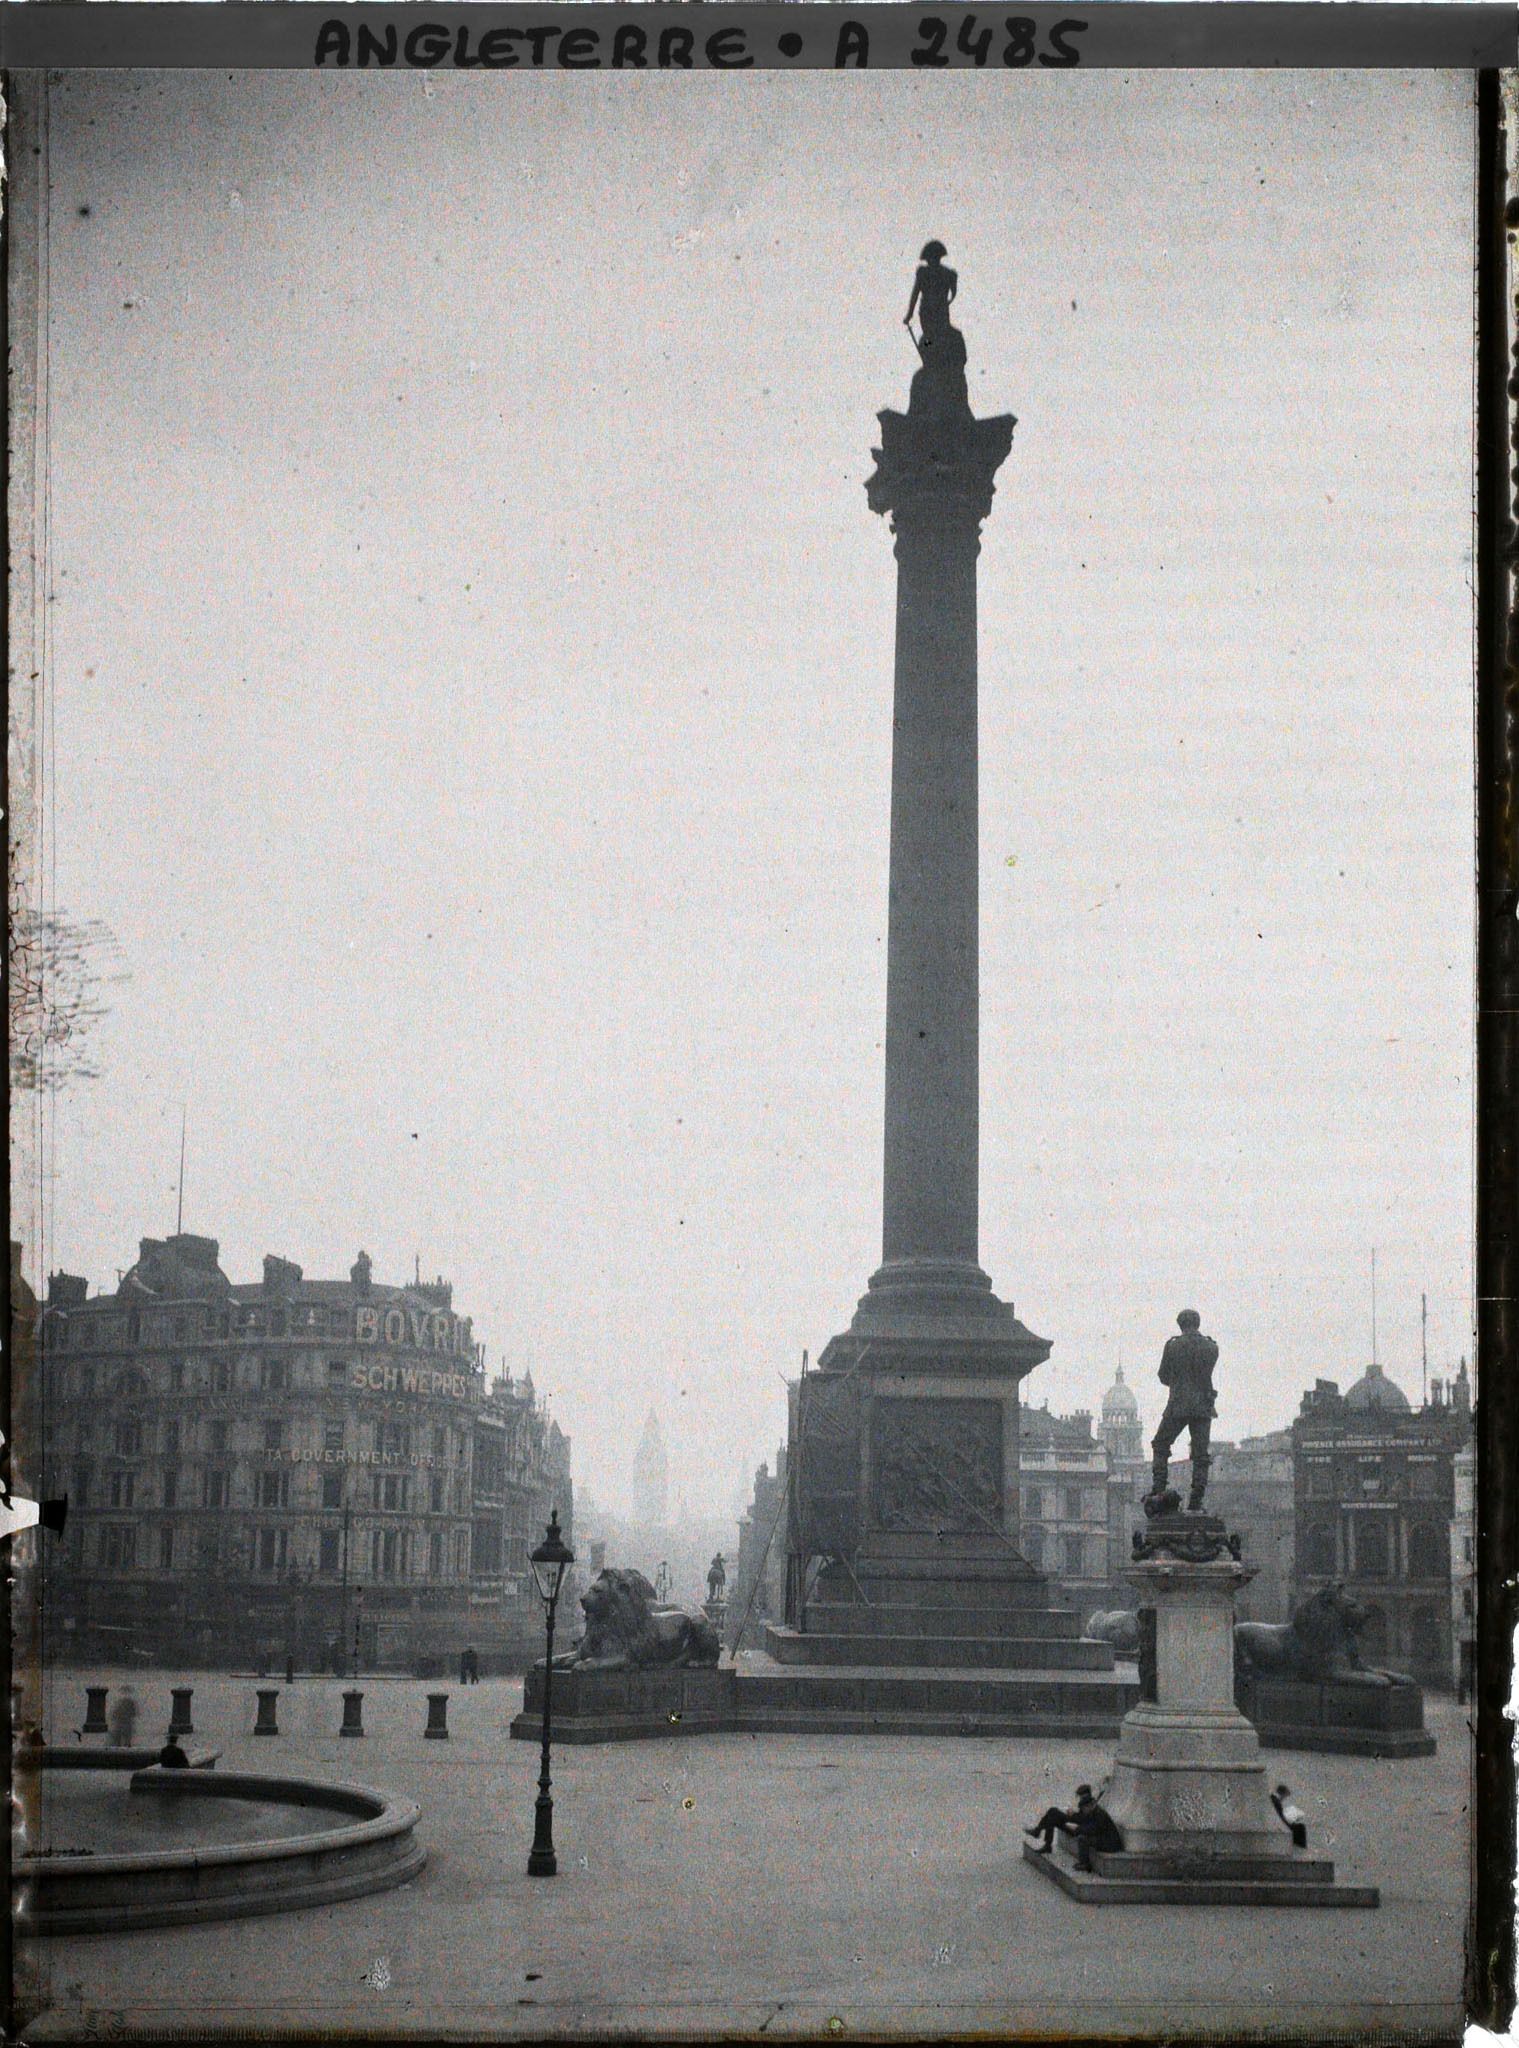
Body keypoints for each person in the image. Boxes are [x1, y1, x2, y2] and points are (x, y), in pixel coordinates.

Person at [1148, 1309, 1220, 1513]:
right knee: (1200, 1454)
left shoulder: (1172, 1346)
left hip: (1178, 1404)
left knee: (1161, 1444)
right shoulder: (1211, 1347)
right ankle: (1196, 1500)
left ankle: (1159, 1490)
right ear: (1198, 1323)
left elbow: (1163, 1376)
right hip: (1203, 1407)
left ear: (1180, 1325)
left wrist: (1179, 1381)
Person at [1025, 1784, 1125, 1871]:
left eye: (1081, 1796)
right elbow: (1084, 1820)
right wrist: (1073, 1816)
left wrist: (1076, 1827)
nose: (1080, 1798)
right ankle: (1045, 1841)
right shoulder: (1089, 1806)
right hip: (1082, 1827)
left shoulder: (1099, 1813)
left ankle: (1085, 1864)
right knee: (1053, 1812)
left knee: (1082, 1838)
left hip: (1108, 1843)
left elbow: (1094, 1829)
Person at [1271, 1784, 1308, 1849]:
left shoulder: (1274, 1799)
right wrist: (1291, 1822)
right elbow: (1280, 1818)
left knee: (1299, 1826)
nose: (1284, 1799)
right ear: (1283, 1794)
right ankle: (1300, 1847)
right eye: (1285, 1796)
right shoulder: (1276, 1802)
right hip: (1279, 1825)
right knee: (1301, 1827)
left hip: (1278, 1822)